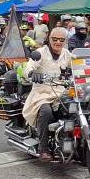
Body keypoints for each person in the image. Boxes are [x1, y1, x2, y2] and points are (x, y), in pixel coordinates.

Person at [22, 27, 74, 161]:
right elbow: (29, 67)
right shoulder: (40, 52)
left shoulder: (66, 53)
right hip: (42, 93)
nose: (58, 42)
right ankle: (43, 148)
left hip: (60, 92)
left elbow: (78, 63)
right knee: (46, 111)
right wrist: (32, 73)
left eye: (61, 40)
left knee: (77, 106)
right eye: (54, 39)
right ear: (49, 39)